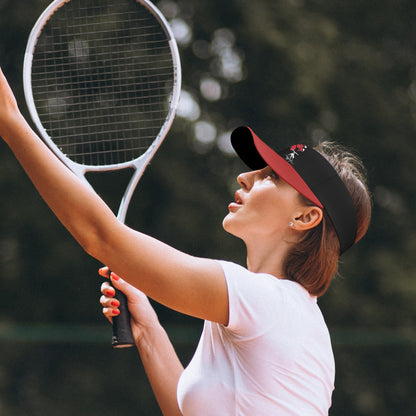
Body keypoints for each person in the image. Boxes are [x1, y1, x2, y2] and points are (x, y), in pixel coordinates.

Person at [0, 67, 371, 415]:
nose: (245, 178)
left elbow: (100, 236)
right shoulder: (280, 313)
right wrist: (148, 332)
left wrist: (10, 120)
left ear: (305, 218)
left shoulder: (262, 301)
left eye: (271, 177)